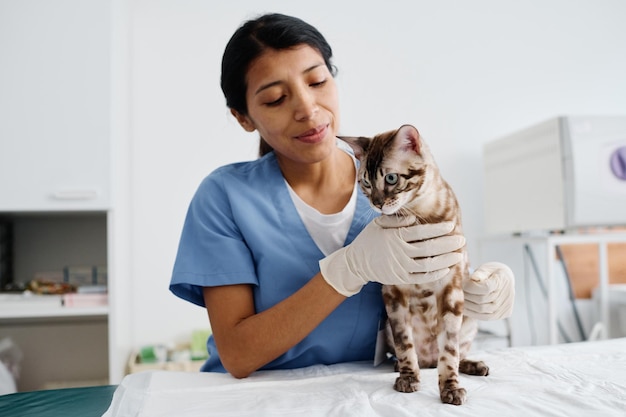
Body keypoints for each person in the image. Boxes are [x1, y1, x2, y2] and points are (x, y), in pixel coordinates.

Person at [170, 13, 514, 379]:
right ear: (244, 118)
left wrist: (476, 290)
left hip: (366, 392)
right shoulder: (225, 198)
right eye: (275, 99)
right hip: (260, 399)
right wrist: (346, 270)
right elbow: (237, 356)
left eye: (317, 81)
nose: (307, 109)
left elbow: (428, 284)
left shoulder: (394, 181)